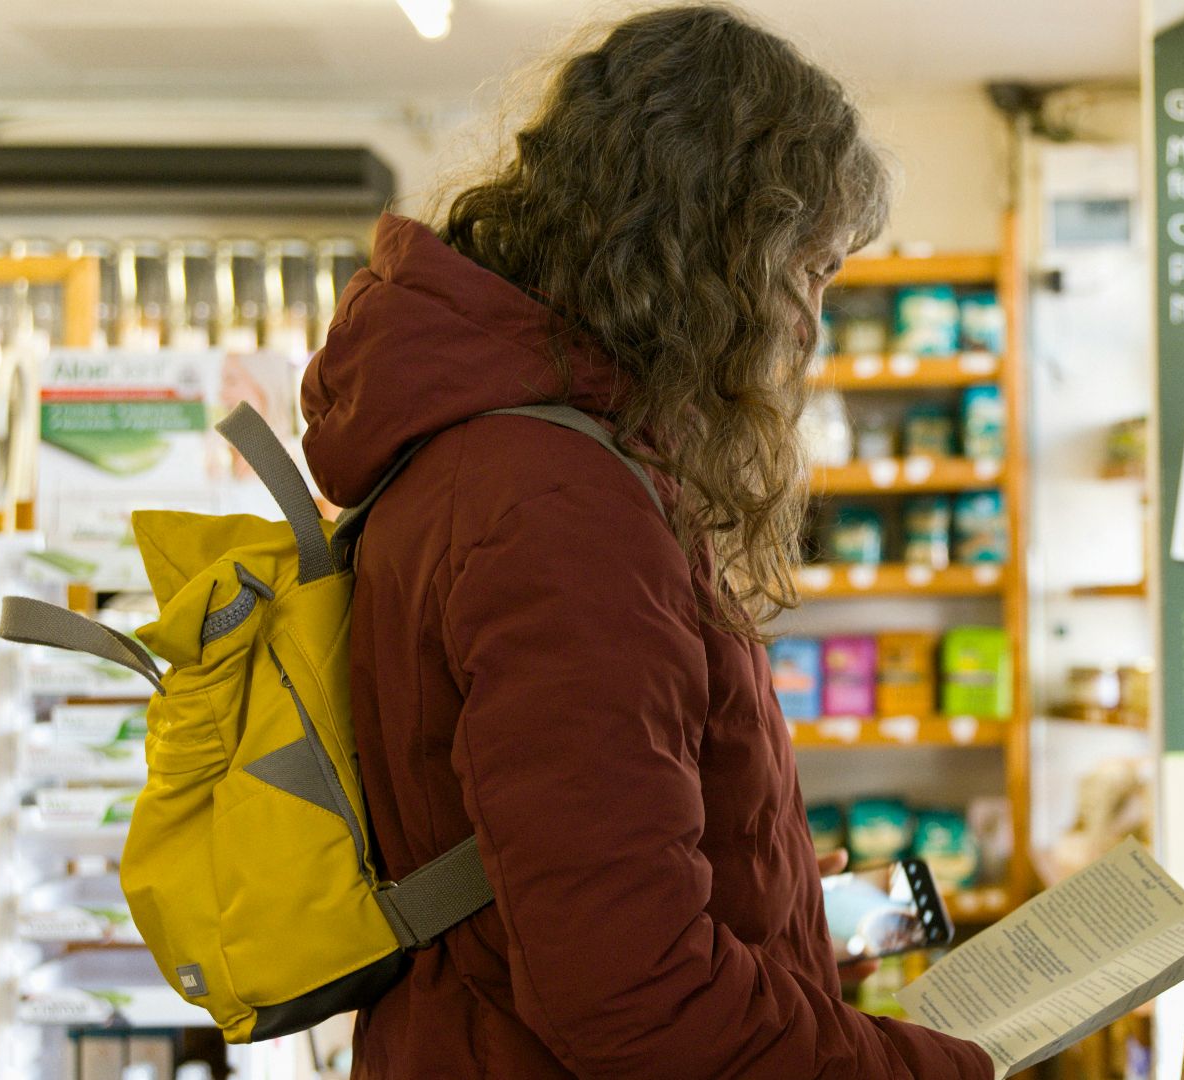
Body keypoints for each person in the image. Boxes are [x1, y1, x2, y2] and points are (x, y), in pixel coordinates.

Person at [299, 7, 992, 1078]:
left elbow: (543, 876)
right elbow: (635, 997)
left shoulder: (504, 455)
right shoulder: (557, 507)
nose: (809, 327)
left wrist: (779, 896)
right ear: (717, 257)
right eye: (811, 273)